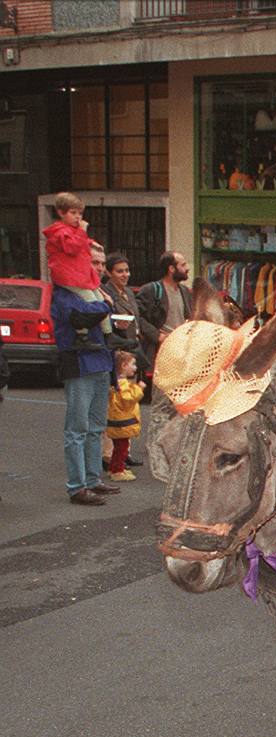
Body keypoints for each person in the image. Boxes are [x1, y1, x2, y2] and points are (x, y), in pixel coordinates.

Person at [46, 194, 117, 506]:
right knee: (77, 427)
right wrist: (104, 306)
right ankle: (77, 485)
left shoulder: (91, 290)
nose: (98, 269)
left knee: (95, 426)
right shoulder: (64, 292)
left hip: (99, 361)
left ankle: (92, 478)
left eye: (100, 264)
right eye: (95, 263)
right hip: (78, 363)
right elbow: (80, 315)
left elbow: (96, 314)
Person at [136, 250, 193, 357]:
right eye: (183, 265)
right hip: (160, 349)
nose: (187, 268)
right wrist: (158, 336)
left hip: (182, 348)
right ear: (171, 268)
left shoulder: (185, 291)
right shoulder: (151, 290)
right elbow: (138, 316)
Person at [106, 349, 145, 482]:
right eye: (132, 364)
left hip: (118, 420)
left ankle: (114, 467)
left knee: (118, 447)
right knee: (121, 448)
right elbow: (128, 400)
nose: (135, 368)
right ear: (123, 366)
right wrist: (139, 388)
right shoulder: (122, 384)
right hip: (122, 421)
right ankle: (118, 470)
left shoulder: (117, 382)